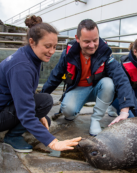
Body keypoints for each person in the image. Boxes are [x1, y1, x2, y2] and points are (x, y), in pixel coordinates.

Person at [41, 19, 137, 136]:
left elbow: (121, 78)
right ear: (77, 39)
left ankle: (96, 120)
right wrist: (39, 103)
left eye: (95, 40)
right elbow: (55, 77)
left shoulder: (105, 51)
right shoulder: (68, 53)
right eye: (87, 41)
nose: (92, 45)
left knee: (109, 83)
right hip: (78, 89)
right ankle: (73, 110)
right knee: (68, 112)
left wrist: (124, 111)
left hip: (98, 88)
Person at [0, 15, 81, 153]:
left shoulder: (28, 55)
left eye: (55, 46)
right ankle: (12, 137)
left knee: (45, 119)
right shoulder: (22, 67)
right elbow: (26, 113)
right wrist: (53, 143)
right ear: (32, 42)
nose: (52, 51)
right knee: (45, 101)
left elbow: (26, 92)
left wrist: (40, 114)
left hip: (6, 105)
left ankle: (21, 127)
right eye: (47, 46)